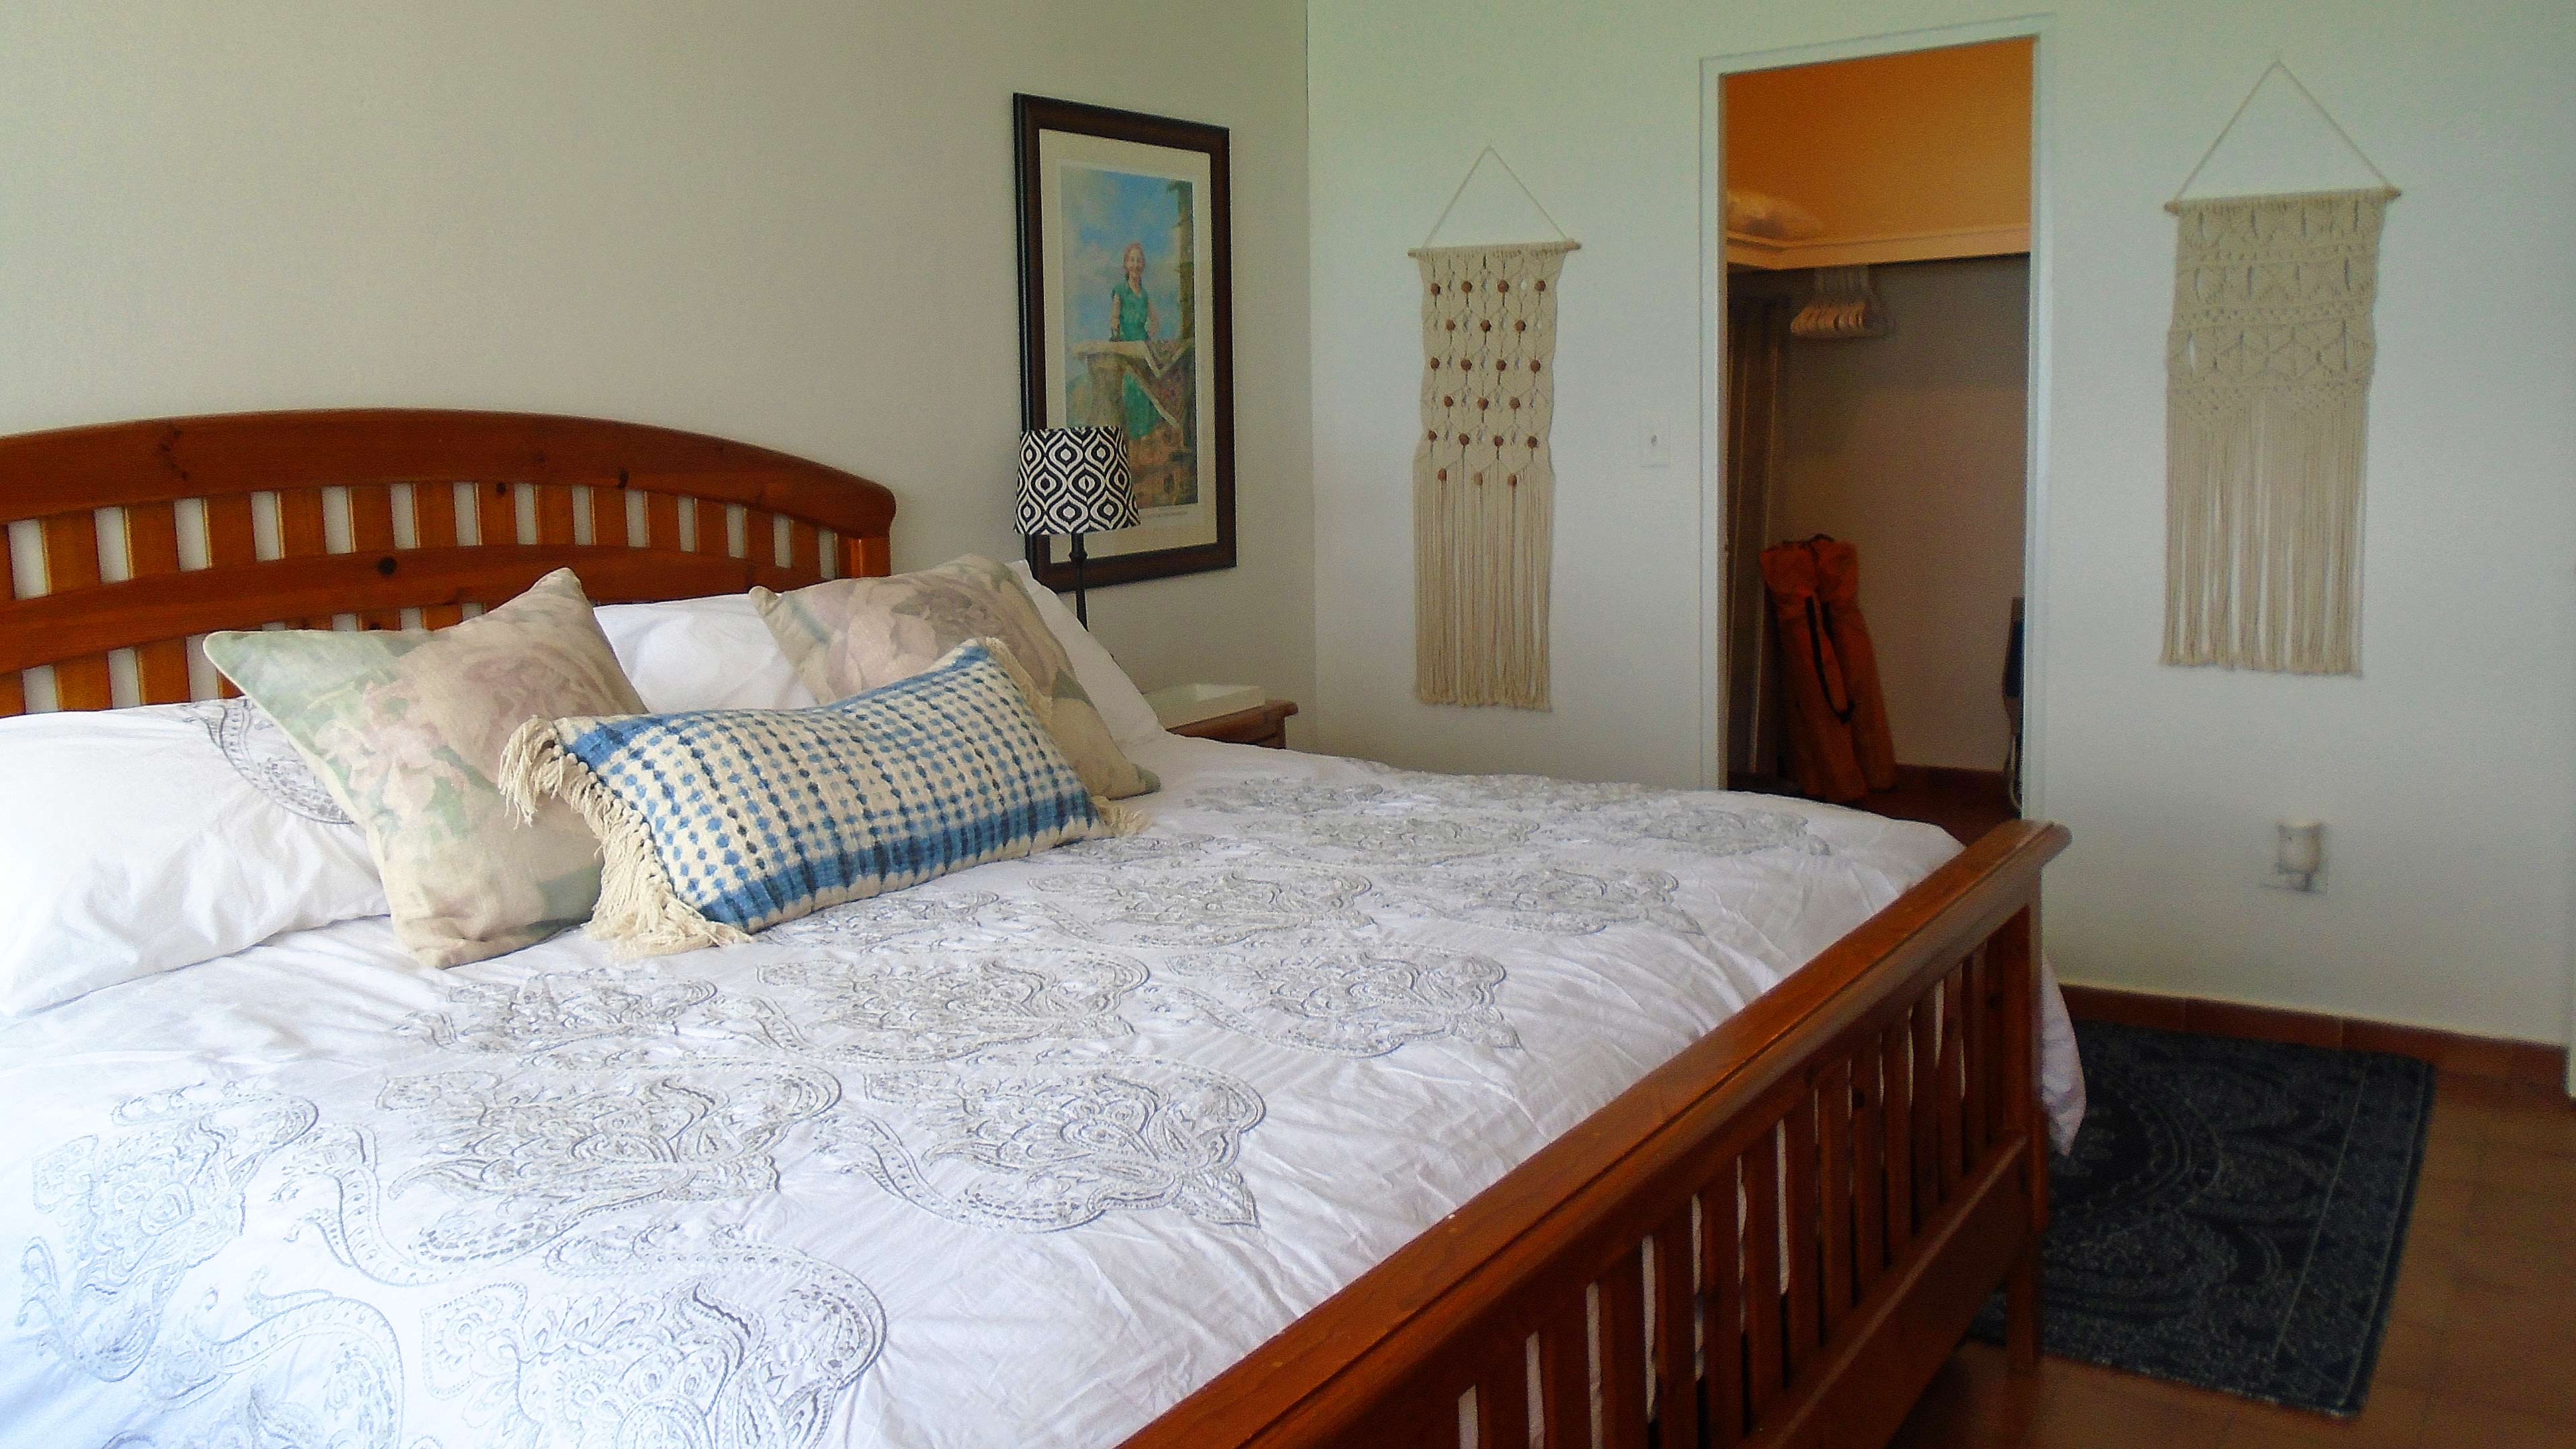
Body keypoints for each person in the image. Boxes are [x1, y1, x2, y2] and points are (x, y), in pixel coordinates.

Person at [1108, 241, 1162, 443]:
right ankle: (1132, 439)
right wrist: (1117, 333)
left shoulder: (1145, 293)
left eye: (1139, 260)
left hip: (1143, 346)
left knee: (1148, 391)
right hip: (1127, 346)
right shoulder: (1120, 290)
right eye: (1132, 260)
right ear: (1126, 264)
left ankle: (1146, 440)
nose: (1136, 264)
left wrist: (1151, 333)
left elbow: (1155, 320)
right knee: (1131, 389)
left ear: (1144, 264)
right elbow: (1114, 318)